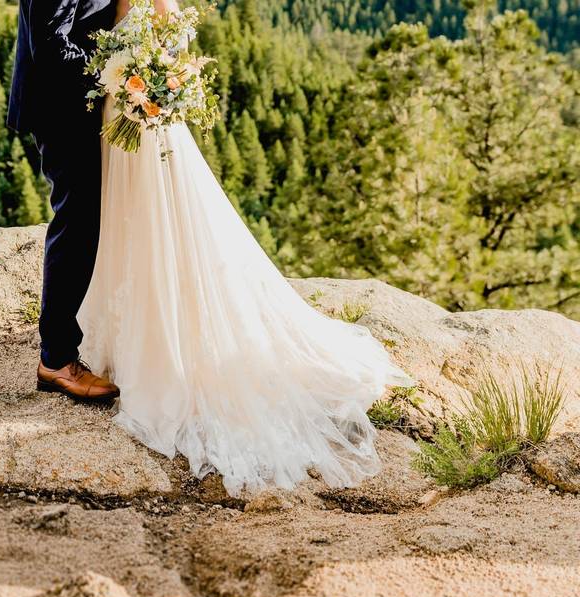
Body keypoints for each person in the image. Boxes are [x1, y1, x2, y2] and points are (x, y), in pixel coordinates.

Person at [75, 0, 415, 494]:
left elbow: (177, 57)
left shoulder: (159, 6)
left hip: (146, 131)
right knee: (131, 227)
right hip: (128, 125)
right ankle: (136, 334)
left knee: (158, 229)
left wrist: (149, 91)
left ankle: (164, 344)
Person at [8, 0, 121, 404]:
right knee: (77, 223)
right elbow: (52, 43)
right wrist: (114, 76)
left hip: (88, 103)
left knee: (89, 220)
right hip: (62, 107)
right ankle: (56, 359)